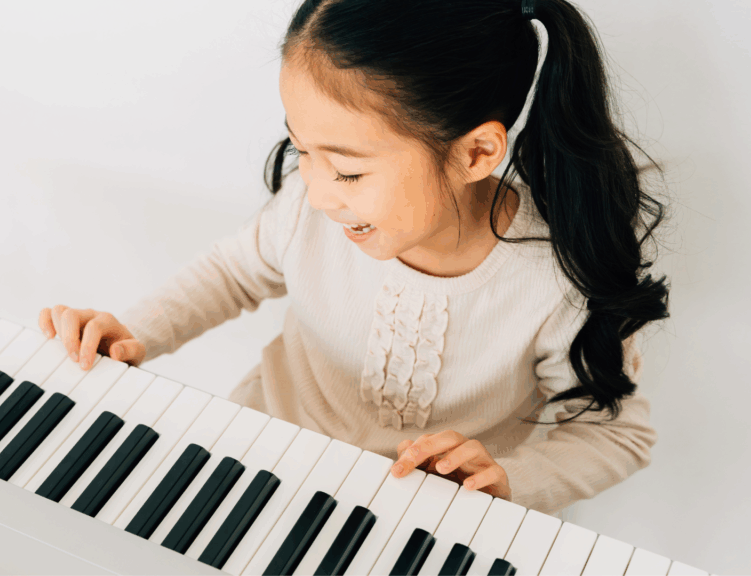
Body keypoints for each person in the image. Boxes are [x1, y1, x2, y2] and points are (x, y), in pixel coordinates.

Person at [38, 0, 670, 516]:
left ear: (476, 154)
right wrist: (138, 331)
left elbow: (617, 434)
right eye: (300, 150)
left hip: (411, 515)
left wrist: (508, 476)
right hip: (259, 459)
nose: (315, 191)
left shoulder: (557, 284)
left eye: (346, 170)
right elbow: (231, 274)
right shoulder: (307, 208)